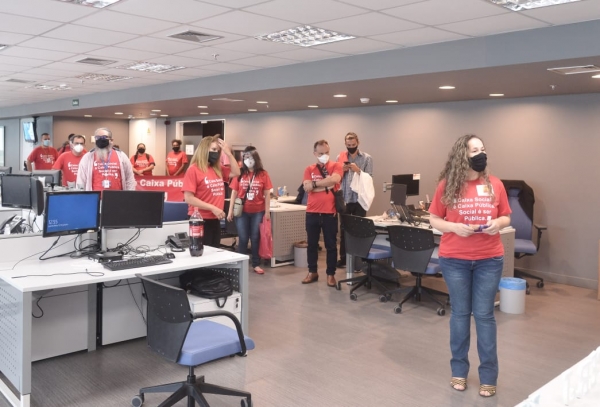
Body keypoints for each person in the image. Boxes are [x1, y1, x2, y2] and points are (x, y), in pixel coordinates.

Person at [428, 134, 511, 398]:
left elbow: (505, 216)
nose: (480, 154)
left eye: (482, 149)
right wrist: (454, 227)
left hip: (489, 258)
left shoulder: (495, 184)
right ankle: (459, 372)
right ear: (462, 155)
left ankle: (488, 377)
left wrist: (496, 225)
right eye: (474, 150)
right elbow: (434, 219)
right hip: (455, 259)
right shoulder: (447, 186)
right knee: (461, 315)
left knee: (485, 316)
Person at [182, 136, 239, 248]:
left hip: (215, 218)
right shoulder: (193, 169)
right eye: (213, 149)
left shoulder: (217, 168)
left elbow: (236, 172)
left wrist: (228, 154)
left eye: (218, 151)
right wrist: (212, 208)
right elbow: (189, 198)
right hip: (200, 219)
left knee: (214, 251)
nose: (216, 153)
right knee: (202, 253)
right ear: (204, 150)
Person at [301, 139, 343, 287]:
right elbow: (306, 187)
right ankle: (312, 271)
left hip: (329, 213)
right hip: (312, 212)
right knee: (312, 244)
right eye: (321, 153)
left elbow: (336, 179)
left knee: (331, 245)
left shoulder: (336, 166)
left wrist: (315, 184)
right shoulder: (309, 169)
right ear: (315, 153)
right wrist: (327, 183)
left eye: (326, 153)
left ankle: (330, 274)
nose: (324, 155)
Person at [227, 147, 273, 274]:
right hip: (242, 211)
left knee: (255, 237)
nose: (248, 160)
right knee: (242, 237)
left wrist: (267, 211)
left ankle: (256, 264)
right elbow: (234, 193)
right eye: (246, 158)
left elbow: (267, 194)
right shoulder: (240, 173)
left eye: (251, 158)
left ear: (256, 159)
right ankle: (239, 263)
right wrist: (230, 211)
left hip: (258, 211)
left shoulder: (263, 174)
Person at [335, 132, 373, 268]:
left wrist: (358, 171)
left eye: (353, 144)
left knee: (359, 229)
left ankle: (359, 258)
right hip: (345, 198)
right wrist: (342, 170)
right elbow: (336, 177)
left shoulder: (367, 158)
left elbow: (370, 179)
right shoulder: (340, 157)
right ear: (345, 144)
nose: (351, 147)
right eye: (348, 145)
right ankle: (343, 258)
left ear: (358, 143)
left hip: (360, 199)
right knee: (344, 229)